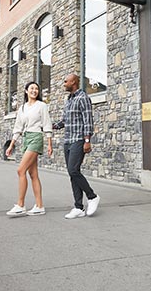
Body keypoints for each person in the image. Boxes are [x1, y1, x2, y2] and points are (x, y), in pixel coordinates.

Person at [53, 74, 100, 219]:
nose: (64, 83)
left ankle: (92, 196)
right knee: (73, 173)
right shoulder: (69, 99)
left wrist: (87, 140)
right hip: (68, 140)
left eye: (66, 81)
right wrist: (54, 126)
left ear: (73, 82)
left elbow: (88, 120)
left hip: (79, 140)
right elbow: (65, 120)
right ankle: (78, 207)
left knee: (73, 170)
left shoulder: (83, 98)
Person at [5, 81, 53, 216]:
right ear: (26, 91)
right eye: (31, 88)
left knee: (20, 170)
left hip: (36, 137)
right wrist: (11, 145)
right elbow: (18, 127)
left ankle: (20, 205)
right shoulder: (22, 108)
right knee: (33, 175)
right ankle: (39, 206)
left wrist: (49, 143)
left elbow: (47, 124)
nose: (34, 90)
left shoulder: (42, 106)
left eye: (36, 89)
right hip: (26, 138)